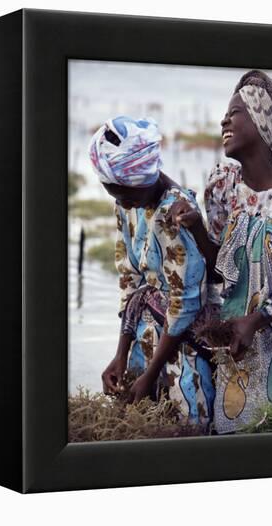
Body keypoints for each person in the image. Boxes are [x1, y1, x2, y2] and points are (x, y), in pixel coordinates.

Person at [170, 70, 272, 433]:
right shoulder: (223, 186)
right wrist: (197, 228)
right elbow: (222, 270)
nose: (224, 120)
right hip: (237, 342)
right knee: (237, 437)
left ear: (262, 121)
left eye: (235, 112)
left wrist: (258, 319)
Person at [89, 115, 218, 426]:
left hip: (182, 342)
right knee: (134, 416)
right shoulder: (128, 203)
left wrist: (150, 373)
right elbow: (129, 277)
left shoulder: (175, 214)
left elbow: (185, 300)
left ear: (140, 182)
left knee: (184, 421)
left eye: (120, 193)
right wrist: (122, 353)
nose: (118, 201)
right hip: (147, 332)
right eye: (111, 193)